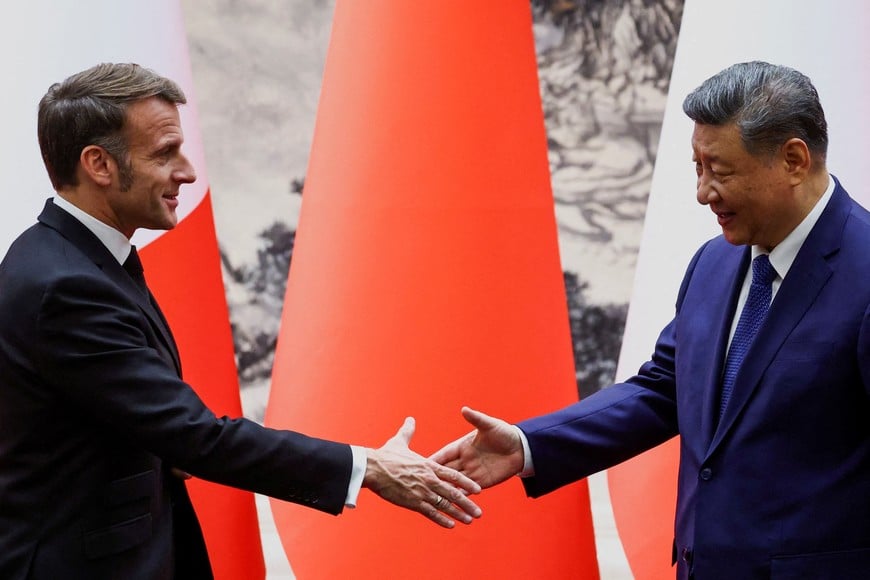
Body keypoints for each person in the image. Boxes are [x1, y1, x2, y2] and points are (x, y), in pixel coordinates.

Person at [0, 62, 481, 580]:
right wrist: (368, 469)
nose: (186, 172)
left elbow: (119, 421)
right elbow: (195, 437)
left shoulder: (77, 259)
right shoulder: (66, 286)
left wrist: (158, 444)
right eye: (165, 153)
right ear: (99, 164)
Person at [433, 61, 870, 579]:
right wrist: (529, 445)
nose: (703, 192)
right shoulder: (713, 263)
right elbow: (662, 391)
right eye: (697, 167)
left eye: (720, 171)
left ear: (793, 160)